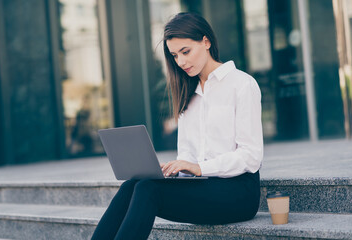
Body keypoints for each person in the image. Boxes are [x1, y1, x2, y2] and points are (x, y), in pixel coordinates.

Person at [91, 12, 263, 240]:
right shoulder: (187, 94)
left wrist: (199, 168)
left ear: (206, 41)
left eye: (186, 52)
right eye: (174, 55)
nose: (181, 62)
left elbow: (251, 157)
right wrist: (175, 170)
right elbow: (188, 154)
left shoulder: (242, 84)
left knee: (147, 189)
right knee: (132, 185)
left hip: (239, 192)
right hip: (203, 188)